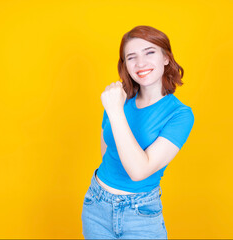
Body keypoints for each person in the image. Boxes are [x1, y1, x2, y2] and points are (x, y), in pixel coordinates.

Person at [81, 25, 195, 239]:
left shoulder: (180, 114)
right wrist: (115, 108)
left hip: (141, 213)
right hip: (96, 204)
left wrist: (115, 111)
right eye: (131, 57)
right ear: (125, 65)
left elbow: (138, 171)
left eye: (149, 52)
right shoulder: (118, 99)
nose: (140, 63)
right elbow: (108, 152)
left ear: (166, 58)